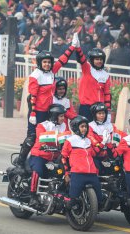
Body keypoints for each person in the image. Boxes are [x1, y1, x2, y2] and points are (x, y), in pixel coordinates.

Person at [14, 33, 80, 168]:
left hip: (49, 112)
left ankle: (50, 159)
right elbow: (32, 96)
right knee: (33, 137)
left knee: (50, 136)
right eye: (44, 62)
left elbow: (62, 60)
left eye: (49, 62)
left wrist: (72, 46)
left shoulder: (52, 72)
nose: (47, 64)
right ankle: (20, 161)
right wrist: (32, 114)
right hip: (37, 112)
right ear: (40, 63)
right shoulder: (35, 76)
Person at [28, 104, 69, 205]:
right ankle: (32, 195)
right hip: (40, 154)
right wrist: (48, 146)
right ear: (54, 116)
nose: (63, 118)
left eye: (63, 116)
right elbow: (41, 140)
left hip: (56, 156)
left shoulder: (64, 126)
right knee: (38, 170)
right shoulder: (42, 125)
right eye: (61, 116)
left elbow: (67, 139)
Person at [61, 115, 102, 208]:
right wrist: (67, 173)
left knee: (100, 198)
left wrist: (102, 144)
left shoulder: (88, 141)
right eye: (82, 126)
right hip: (78, 174)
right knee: (73, 201)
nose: (84, 129)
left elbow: (95, 153)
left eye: (86, 126)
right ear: (76, 128)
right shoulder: (70, 141)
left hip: (92, 173)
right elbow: (63, 157)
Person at [75, 45, 112, 122]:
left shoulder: (106, 75)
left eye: (101, 59)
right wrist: (78, 47)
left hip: (99, 108)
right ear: (92, 60)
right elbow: (81, 59)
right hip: (86, 107)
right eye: (97, 59)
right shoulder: (87, 69)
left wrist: (108, 111)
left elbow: (107, 94)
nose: (99, 61)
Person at [87, 102, 126, 174]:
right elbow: (90, 137)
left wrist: (128, 138)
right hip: (96, 155)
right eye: (99, 113)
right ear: (94, 114)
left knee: (121, 170)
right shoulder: (90, 126)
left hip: (109, 154)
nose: (102, 115)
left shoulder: (110, 125)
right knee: (95, 170)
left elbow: (119, 134)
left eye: (103, 113)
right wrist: (99, 143)